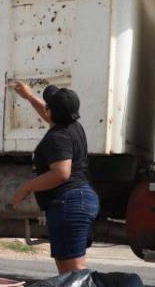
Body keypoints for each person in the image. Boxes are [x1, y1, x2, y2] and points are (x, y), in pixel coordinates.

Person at [10, 81, 100, 273]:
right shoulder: (73, 126)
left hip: (70, 202)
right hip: (79, 200)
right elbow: (50, 114)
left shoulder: (58, 137)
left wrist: (26, 187)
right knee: (68, 268)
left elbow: (61, 173)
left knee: (73, 269)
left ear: (52, 112)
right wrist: (29, 97)